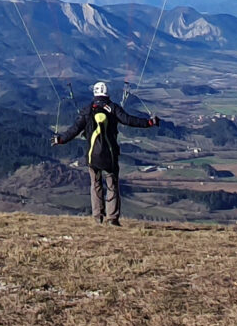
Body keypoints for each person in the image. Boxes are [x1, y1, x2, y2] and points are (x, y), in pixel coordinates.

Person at [53, 80, 158, 225]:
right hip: (110, 156)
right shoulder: (113, 108)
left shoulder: (87, 110)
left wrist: (60, 140)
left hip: (92, 156)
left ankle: (98, 217)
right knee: (112, 185)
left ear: (95, 93)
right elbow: (129, 120)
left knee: (95, 185)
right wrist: (149, 123)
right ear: (107, 93)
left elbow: (74, 130)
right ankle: (112, 218)